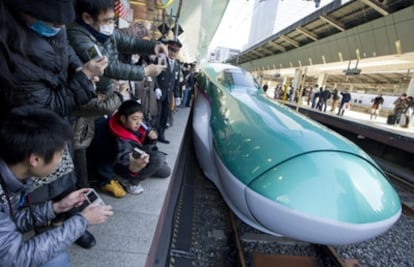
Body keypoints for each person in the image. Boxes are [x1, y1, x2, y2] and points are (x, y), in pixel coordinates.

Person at [0, 0, 108, 249]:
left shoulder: (53, 28)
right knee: (34, 182)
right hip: (31, 126)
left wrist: (79, 67)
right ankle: (44, 230)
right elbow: (48, 105)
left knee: (62, 174)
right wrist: (83, 79)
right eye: (53, 23)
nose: (58, 28)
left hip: (55, 120)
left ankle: (70, 218)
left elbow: (65, 48)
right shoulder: (10, 49)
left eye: (62, 24)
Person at [0, 106, 113, 267]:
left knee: (56, 256)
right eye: (60, 154)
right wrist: (82, 221)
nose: (61, 160)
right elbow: (16, 258)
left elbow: (10, 221)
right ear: (35, 160)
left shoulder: (12, 177)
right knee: (55, 260)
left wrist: (57, 207)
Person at [67, 0, 168, 95]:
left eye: (112, 19)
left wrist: (153, 46)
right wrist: (144, 71)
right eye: (107, 20)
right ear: (87, 18)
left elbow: (130, 43)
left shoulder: (101, 30)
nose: (111, 24)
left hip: (105, 89)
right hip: (91, 95)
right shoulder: (78, 36)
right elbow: (107, 66)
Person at [108, 100, 171, 194]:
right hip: (127, 166)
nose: (138, 122)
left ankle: (148, 169)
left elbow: (146, 142)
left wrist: (152, 138)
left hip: (140, 155)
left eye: (140, 118)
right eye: (134, 119)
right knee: (158, 158)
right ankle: (132, 182)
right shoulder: (120, 138)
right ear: (123, 119)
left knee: (166, 172)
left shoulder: (140, 125)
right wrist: (140, 164)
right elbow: (124, 161)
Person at [154, 39, 183, 144]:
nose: (173, 53)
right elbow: (154, 75)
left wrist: (177, 95)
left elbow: (176, 82)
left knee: (165, 115)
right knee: (156, 115)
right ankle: (153, 136)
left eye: (176, 51)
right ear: (168, 49)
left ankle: (161, 135)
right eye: (171, 50)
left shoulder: (177, 65)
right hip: (159, 93)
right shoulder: (161, 59)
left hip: (169, 95)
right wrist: (156, 87)